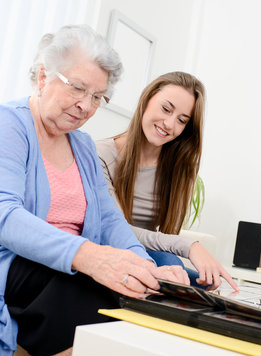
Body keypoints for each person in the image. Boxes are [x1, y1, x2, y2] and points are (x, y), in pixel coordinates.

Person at [0, 25, 188, 356]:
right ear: (44, 77)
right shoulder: (1, 125)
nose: (87, 105)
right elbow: (1, 217)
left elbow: (108, 218)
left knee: (141, 297)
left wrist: (146, 267)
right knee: (78, 294)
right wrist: (91, 257)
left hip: (63, 262)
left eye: (97, 97)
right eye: (78, 88)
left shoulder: (84, 146)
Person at [95, 71, 239, 292]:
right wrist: (189, 246)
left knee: (211, 284)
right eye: (166, 109)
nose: (170, 124)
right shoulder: (101, 154)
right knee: (169, 265)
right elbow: (115, 230)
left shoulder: (179, 167)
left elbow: (162, 233)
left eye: (182, 120)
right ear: (147, 99)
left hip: (152, 257)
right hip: (112, 252)